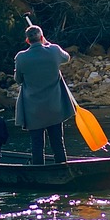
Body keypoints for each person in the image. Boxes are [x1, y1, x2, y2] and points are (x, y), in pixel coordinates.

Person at [14, 24, 74, 165]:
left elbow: (18, 80)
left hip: (33, 109)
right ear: (41, 37)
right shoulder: (54, 50)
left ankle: (38, 173)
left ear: (27, 41)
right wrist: (48, 44)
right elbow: (67, 58)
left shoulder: (21, 57)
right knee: (58, 143)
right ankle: (62, 169)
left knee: (37, 145)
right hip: (55, 107)